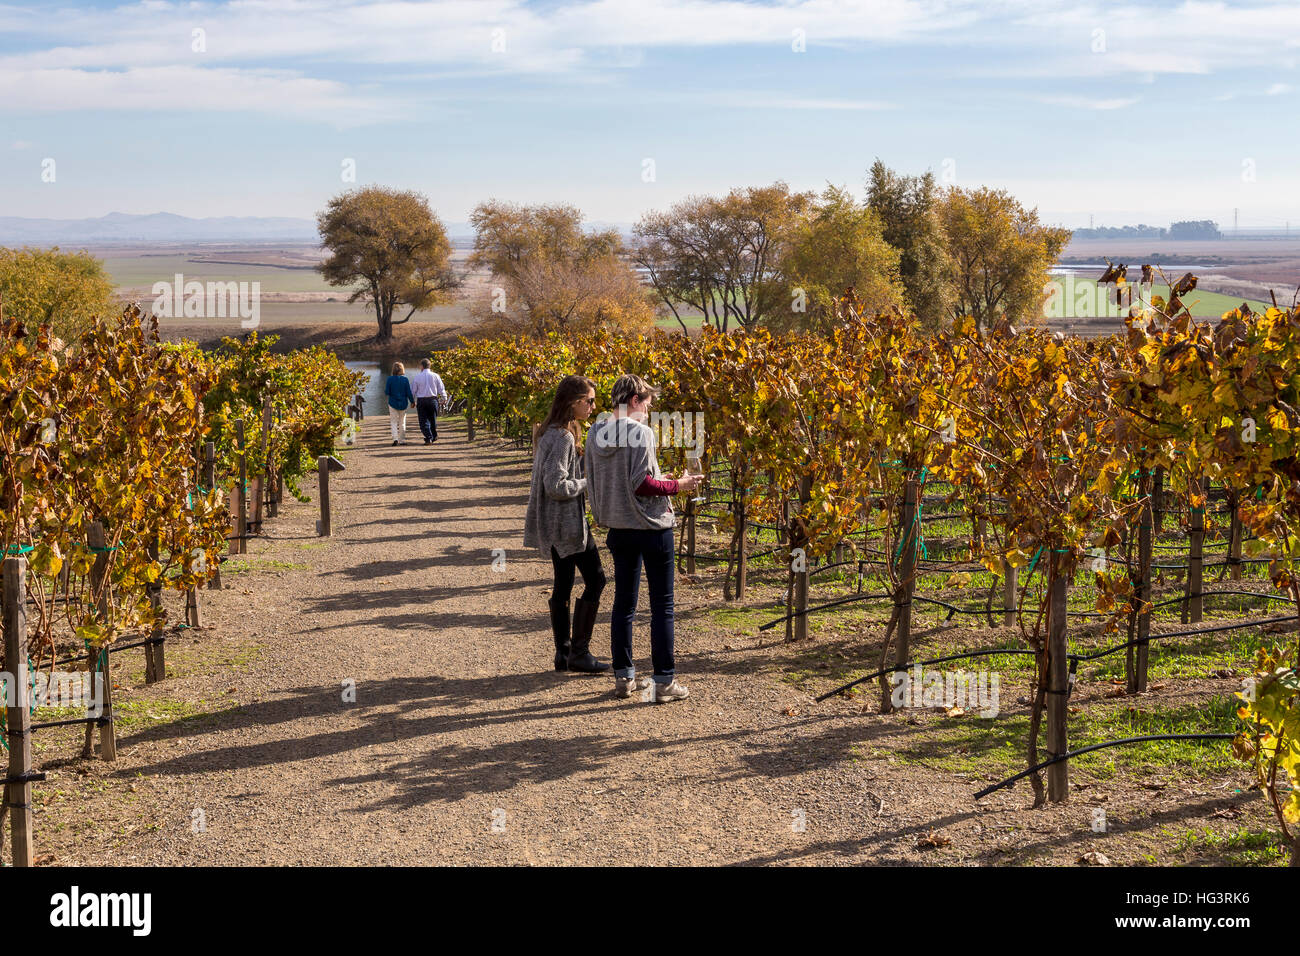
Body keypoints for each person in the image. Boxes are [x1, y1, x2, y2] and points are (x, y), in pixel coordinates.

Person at [586, 373, 702, 702]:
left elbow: (618, 478)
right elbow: (642, 484)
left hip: (619, 528)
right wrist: (678, 485)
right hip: (651, 527)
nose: (650, 411)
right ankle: (664, 683)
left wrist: (658, 479)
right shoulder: (641, 432)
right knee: (662, 607)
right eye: (648, 404)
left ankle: (624, 678)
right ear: (635, 401)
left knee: (624, 603)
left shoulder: (596, 431)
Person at [523, 375, 611, 674]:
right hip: (567, 524)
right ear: (572, 402)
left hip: (554, 523)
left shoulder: (550, 432)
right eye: (589, 400)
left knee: (562, 586)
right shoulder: (561, 437)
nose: (593, 406)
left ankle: (563, 654)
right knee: (597, 580)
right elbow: (556, 485)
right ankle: (579, 652)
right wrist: (589, 482)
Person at [411, 358, 448, 444]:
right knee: (433, 419)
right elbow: (441, 388)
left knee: (423, 420)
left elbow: (413, 390)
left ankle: (428, 437)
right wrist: (444, 398)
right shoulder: (436, 376)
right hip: (433, 400)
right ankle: (433, 436)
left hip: (422, 401)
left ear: (422, 366)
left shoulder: (417, 377)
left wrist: (412, 401)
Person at [384, 361, 415, 445]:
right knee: (402, 422)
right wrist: (412, 401)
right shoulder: (405, 379)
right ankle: (402, 440)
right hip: (403, 403)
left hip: (392, 403)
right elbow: (409, 392)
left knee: (393, 422)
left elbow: (387, 392)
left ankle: (395, 439)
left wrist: (391, 393)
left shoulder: (389, 379)